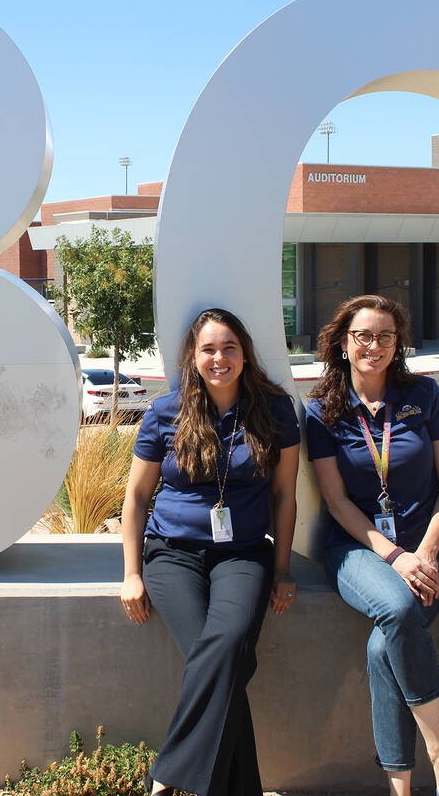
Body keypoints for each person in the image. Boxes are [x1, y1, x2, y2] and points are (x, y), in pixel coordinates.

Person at [120, 308, 300, 796]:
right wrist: (131, 574)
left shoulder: (276, 410)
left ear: (245, 354)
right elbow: (136, 498)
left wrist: (282, 568)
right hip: (172, 553)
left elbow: (285, 495)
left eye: (229, 348)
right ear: (192, 356)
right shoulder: (166, 411)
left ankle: (168, 773)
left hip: (243, 553)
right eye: (208, 349)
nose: (219, 358)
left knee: (226, 642)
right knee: (226, 659)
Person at [303, 295, 439, 796]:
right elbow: (335, 501)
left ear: (398, 345)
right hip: (359, 549)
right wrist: (394, 556)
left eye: (385, 337)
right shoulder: (322, 410)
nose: (374, 346)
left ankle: (399, 787)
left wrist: (427, 552)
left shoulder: (424, 395)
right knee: (396, 608)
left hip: (430, 551)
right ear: (343, 343)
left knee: (384, 648)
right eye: (363, 336)